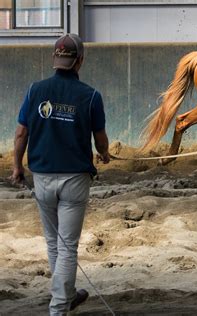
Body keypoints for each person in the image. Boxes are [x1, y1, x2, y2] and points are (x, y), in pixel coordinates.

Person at [10, 33, 110, 315]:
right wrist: (103, 153)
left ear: (56, 59)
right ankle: (59, 306)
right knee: (68, 247)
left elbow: (21, 133)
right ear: (79, 61)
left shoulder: (34, 90)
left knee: (54, 243)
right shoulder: (91, 96)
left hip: (42, 177)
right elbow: (100, 139)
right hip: (75, 179)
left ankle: (65, 296)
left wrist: (17, 166)